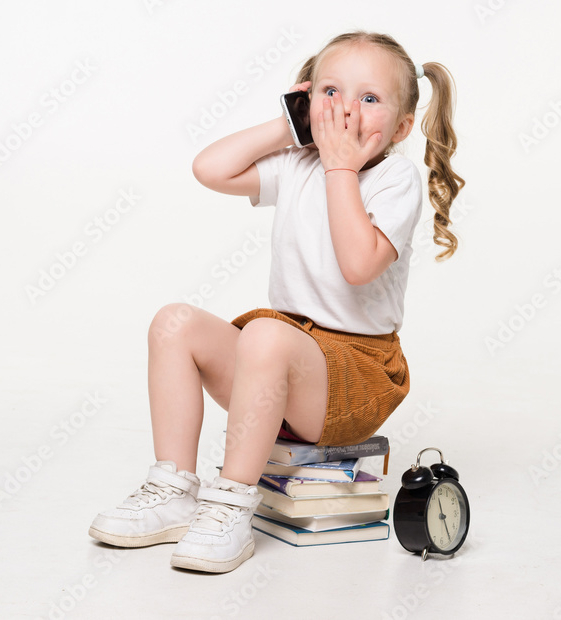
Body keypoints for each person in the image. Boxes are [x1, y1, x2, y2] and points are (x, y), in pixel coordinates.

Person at [89, 31, 464, 573]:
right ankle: (172, 488)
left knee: (265, 334)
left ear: (403, 126)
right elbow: (209, 169)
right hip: (282, 363)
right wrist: (287, 129)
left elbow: (359, 265)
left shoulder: (394, 178)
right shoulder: (298, 163)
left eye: (370, 98)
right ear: (307, 101)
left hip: (355, 377)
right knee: (173, 323)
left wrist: (340, 168)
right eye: (331, 93)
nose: (346, 112)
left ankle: (230, 505)